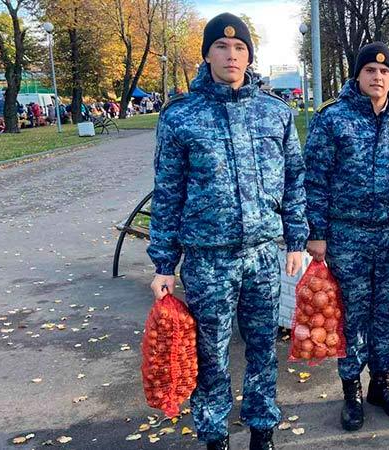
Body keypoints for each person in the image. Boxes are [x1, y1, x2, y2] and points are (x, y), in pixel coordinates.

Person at [147, 12, 308, 450]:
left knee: (263, 348)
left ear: (250, 57)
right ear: (207, 54)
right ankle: (215, 434)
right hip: (208, 258)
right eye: (221, 46)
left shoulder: (275, 113)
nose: (231, 55)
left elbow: (294, 179)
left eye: (239, 48)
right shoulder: (181, 117)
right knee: (210, 353)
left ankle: (262, 429)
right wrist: (164, 264)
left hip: (262, 254)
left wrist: (296, 239)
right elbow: (167, 193)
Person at [303, 42, 389, 432]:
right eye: (370, 71)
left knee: (386, 311)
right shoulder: (332, 118)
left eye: (385, 72)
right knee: (352, 313)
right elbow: (315, 179)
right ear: (357, 75)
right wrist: (316, 233)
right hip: (347, 235)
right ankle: (351, 390)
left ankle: (381, 383)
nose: (378, 77)